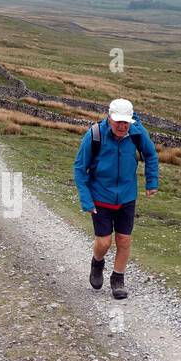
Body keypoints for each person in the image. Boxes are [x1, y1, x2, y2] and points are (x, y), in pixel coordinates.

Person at [72, 98, 159, 299]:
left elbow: (150, 155)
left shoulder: (138, 134)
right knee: (103, 243)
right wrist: (86, 199)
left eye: (125, 121)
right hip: (101, 196)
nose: (122, 126)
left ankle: (117, 279)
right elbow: (79, 167)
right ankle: (97, 263)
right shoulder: (95, 134)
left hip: (127, 196)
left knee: (124, 240)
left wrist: (151, 182)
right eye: (118, 121)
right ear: (109, 118)